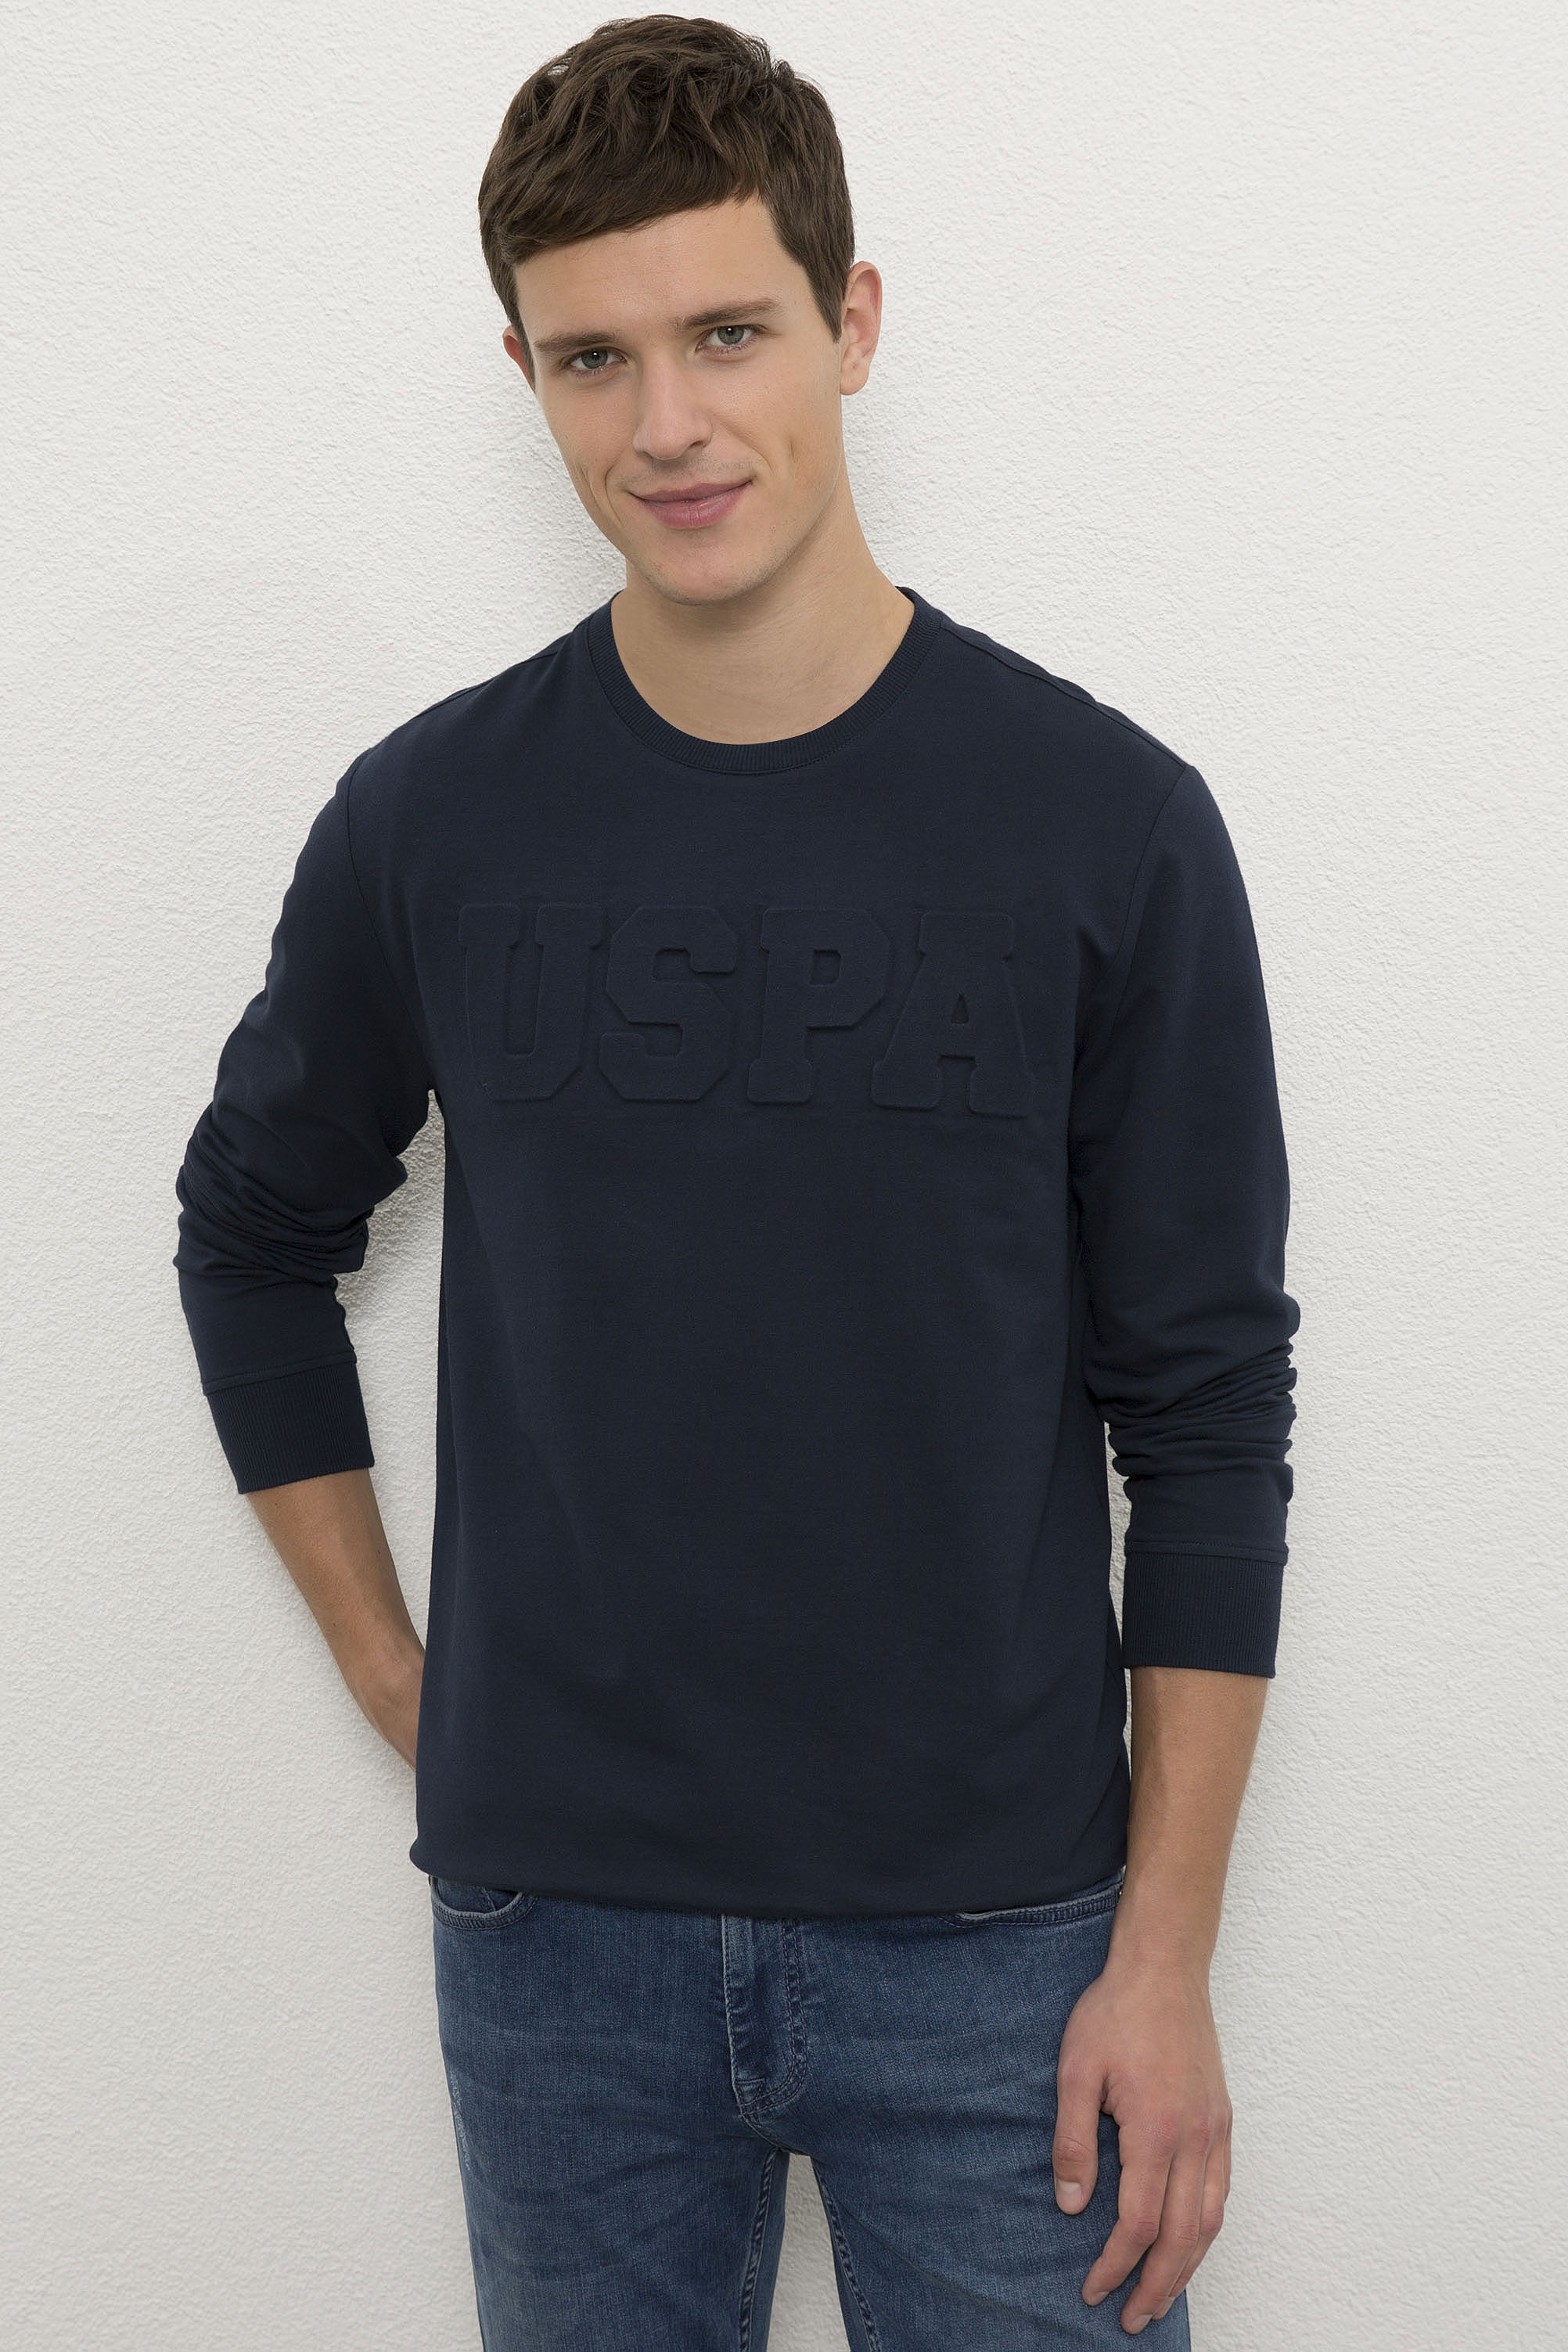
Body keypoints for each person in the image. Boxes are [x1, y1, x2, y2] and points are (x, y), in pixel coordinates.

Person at [173, 16, 1298, 2347]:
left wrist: (1164, 1955)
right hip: (556, 1947)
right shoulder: (432, 821)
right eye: (592, 358)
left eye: (727, 333)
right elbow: (250, 1236)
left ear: (849, 320)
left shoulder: (1105, 827)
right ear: (523, 371)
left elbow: (1205, 1410)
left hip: (1006, 1946)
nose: (667, 423)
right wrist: (404, 1678)